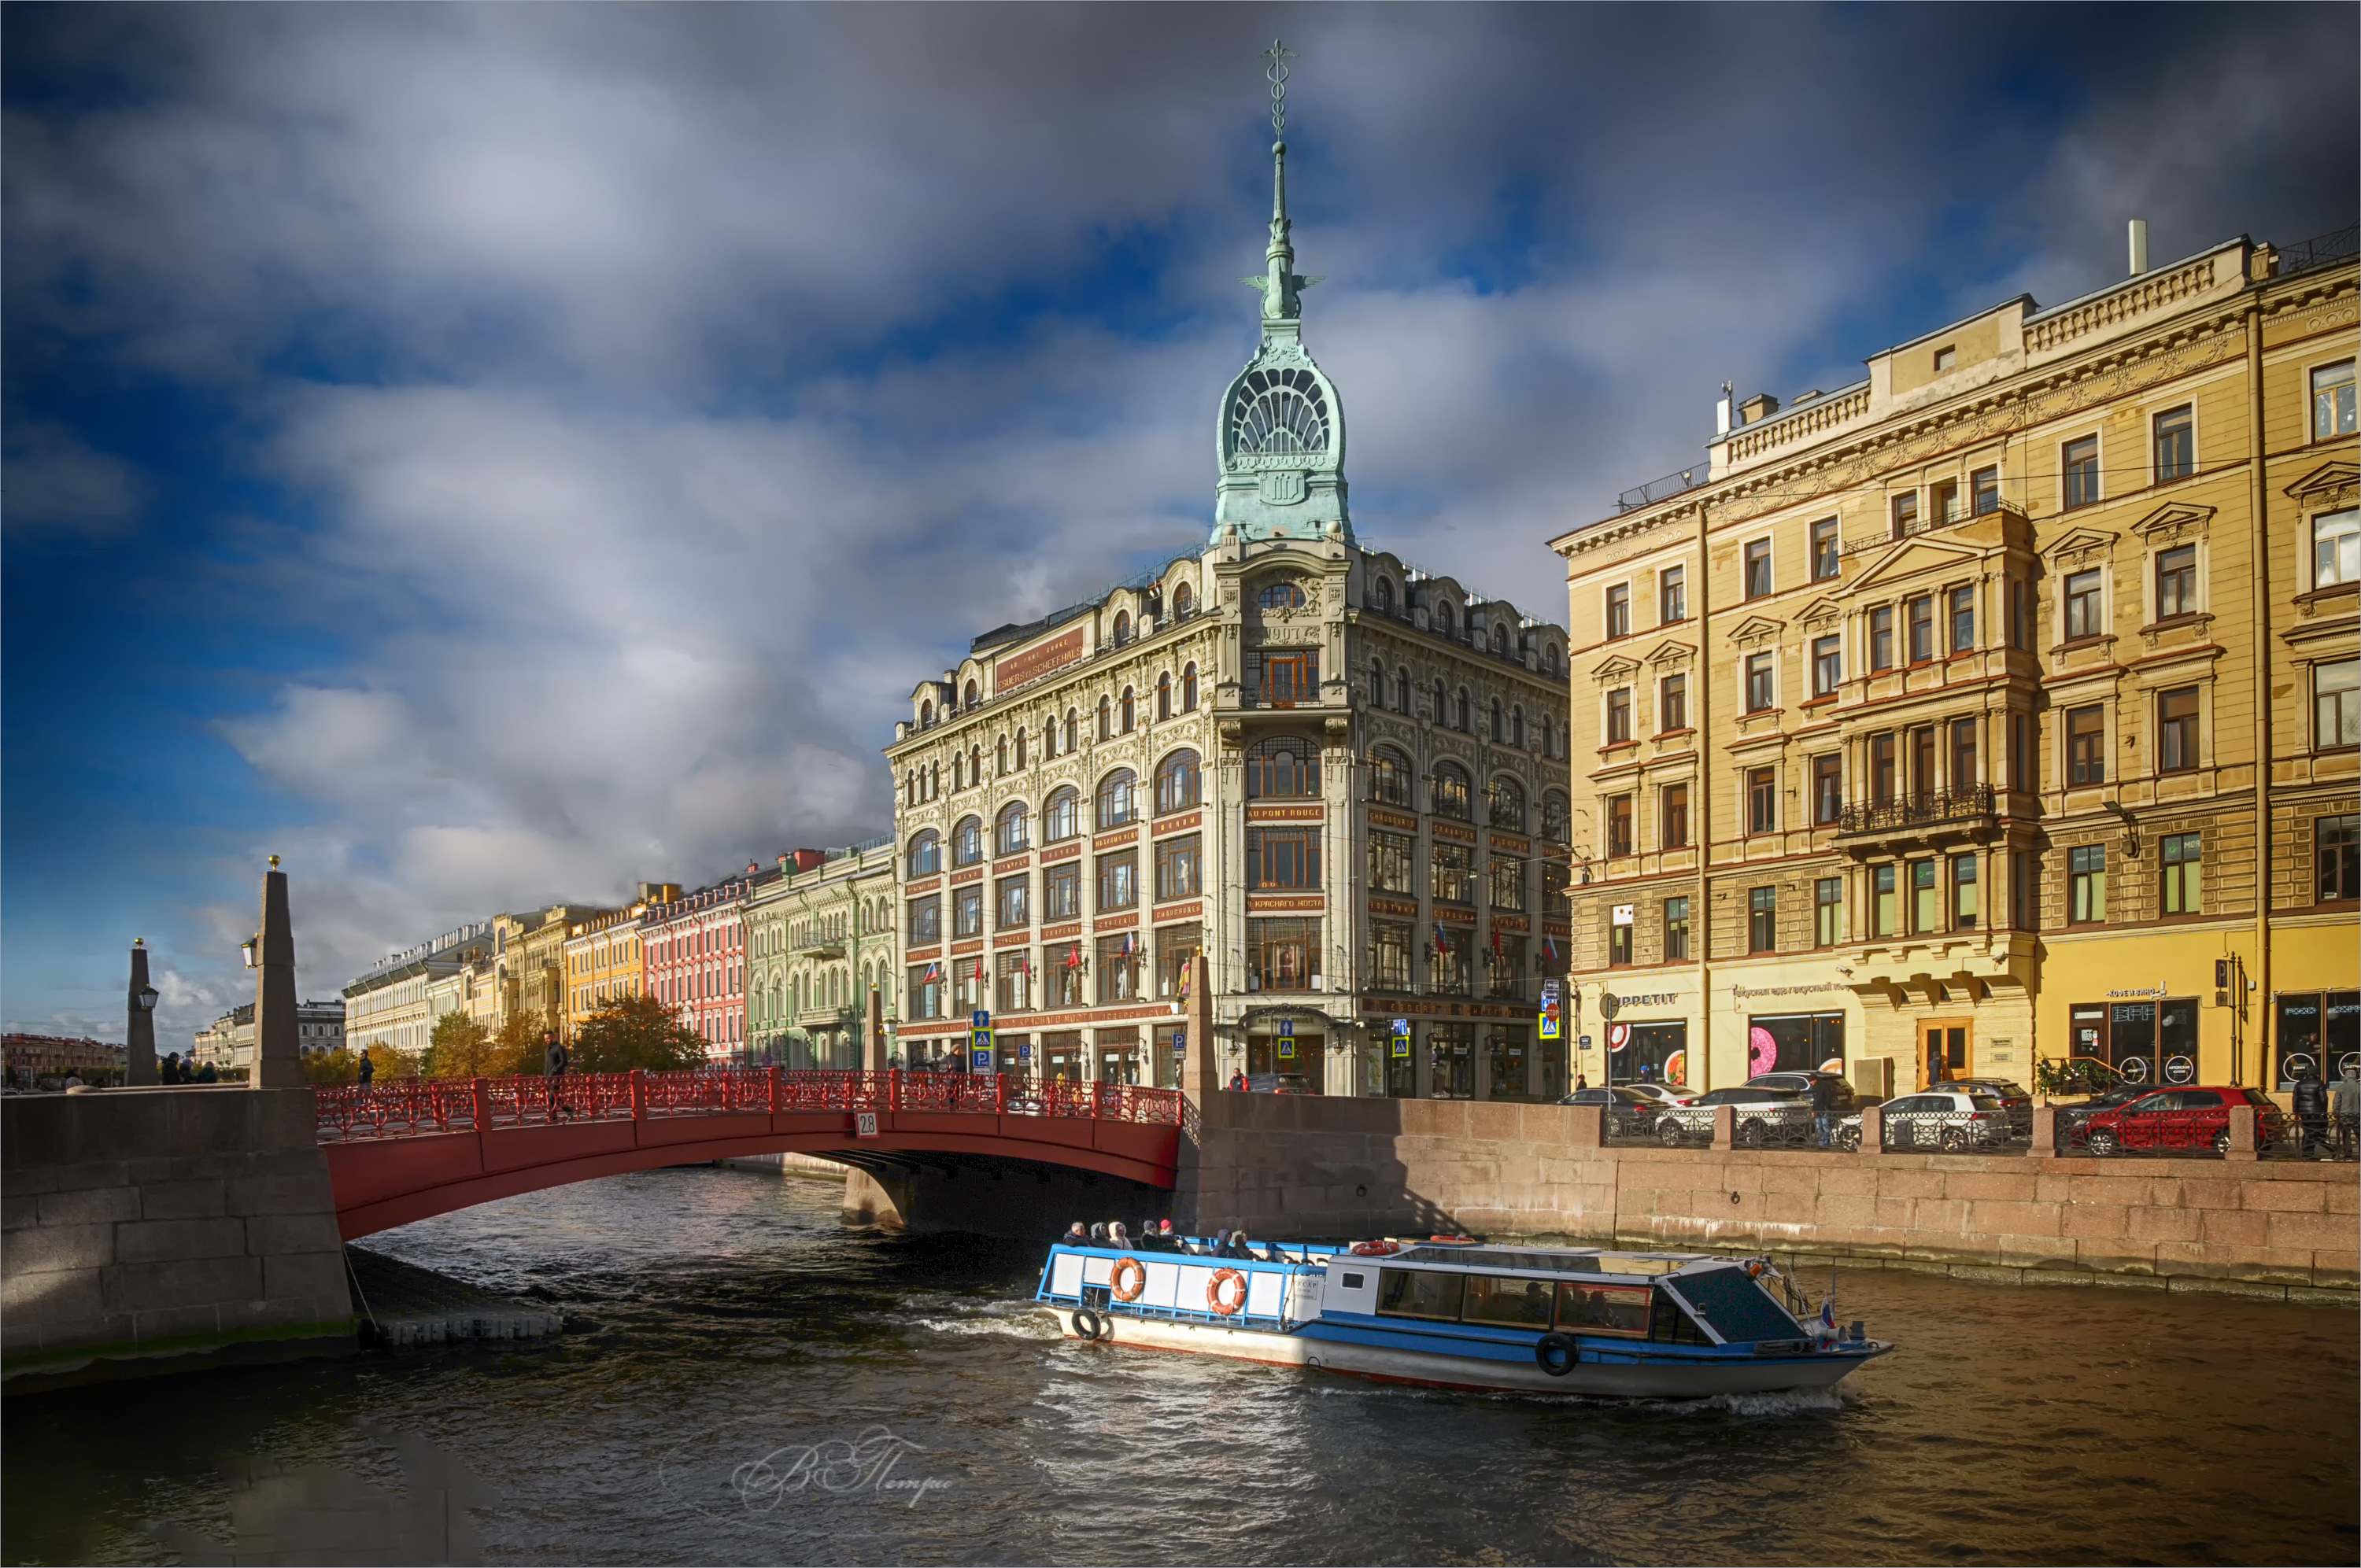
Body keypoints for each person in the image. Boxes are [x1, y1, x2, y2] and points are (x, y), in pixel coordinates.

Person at [2293, 1066, 2330, 1158]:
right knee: (2313, 1134)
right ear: (2318, 1074)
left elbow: (2295, 1099)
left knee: (2307, 1132)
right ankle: (2308, 1154)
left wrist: (2296, 1112)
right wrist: (2324, 1112)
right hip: (2316, 1113)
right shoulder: (2319, 1084)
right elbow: (2324, 1100)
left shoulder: (2299, 1084)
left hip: (2304, 1113)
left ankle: (2306, 1153)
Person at [2333, 1067, 2361, 1161]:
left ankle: (2348, 1156)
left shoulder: (2341, 1088)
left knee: (2346, 1136)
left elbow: (2337, 1103)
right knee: (2359, 1135)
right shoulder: (2359, 1087)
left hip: (2344, 1115)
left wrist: (2336, 1113)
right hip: (2358, 1115)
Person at [543, 1031, 569, 1120]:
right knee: (554, 1097)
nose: (547, 1040)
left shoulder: (559, 1048)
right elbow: (547, 1064)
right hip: (549, 1077)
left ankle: (554, 1117)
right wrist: (545, 1075)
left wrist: (555, 1070)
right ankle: (569, 1111)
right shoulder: (547, 1050)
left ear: (553, 1037)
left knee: (552, 1096)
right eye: (545, 1039)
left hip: (557, 1076)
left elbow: (564, 1061)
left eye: (548, 1038)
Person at [1810, 1072, 1839, 1149]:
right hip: (1817, 1110)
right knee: (1819, 1128)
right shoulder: (1814, 1087)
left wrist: (1826, 1106)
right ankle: (1821, 1143)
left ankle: (1826, 1144)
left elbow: (1829, 1096)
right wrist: (1813, 1110)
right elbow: (1815, 1100)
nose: (1811, 1083)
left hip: (1824, 1109)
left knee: (1825, 1127)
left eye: (1811, 1081)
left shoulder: (1824, 1085)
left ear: (1815, 1080)